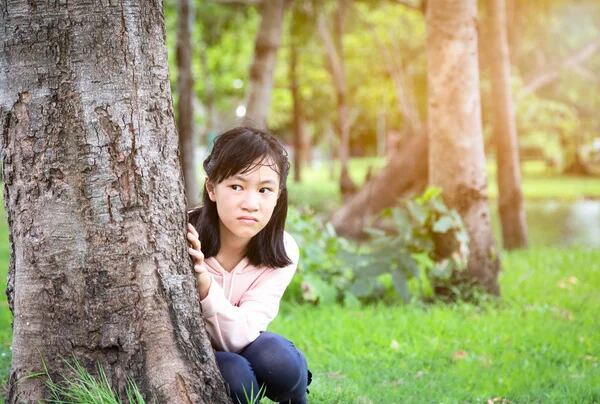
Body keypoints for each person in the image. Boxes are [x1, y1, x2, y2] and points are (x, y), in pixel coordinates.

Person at [186, 127, 311, 404]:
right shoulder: (183, 236)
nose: (251, 204)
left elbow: (245, 333)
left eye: (265, 189)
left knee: (280, 360)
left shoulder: (283, 250)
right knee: (235, 374)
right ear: (211, 188)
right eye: (236, 187)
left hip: (247, 341)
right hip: (199, 353)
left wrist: (206, 289)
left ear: (278, 195)